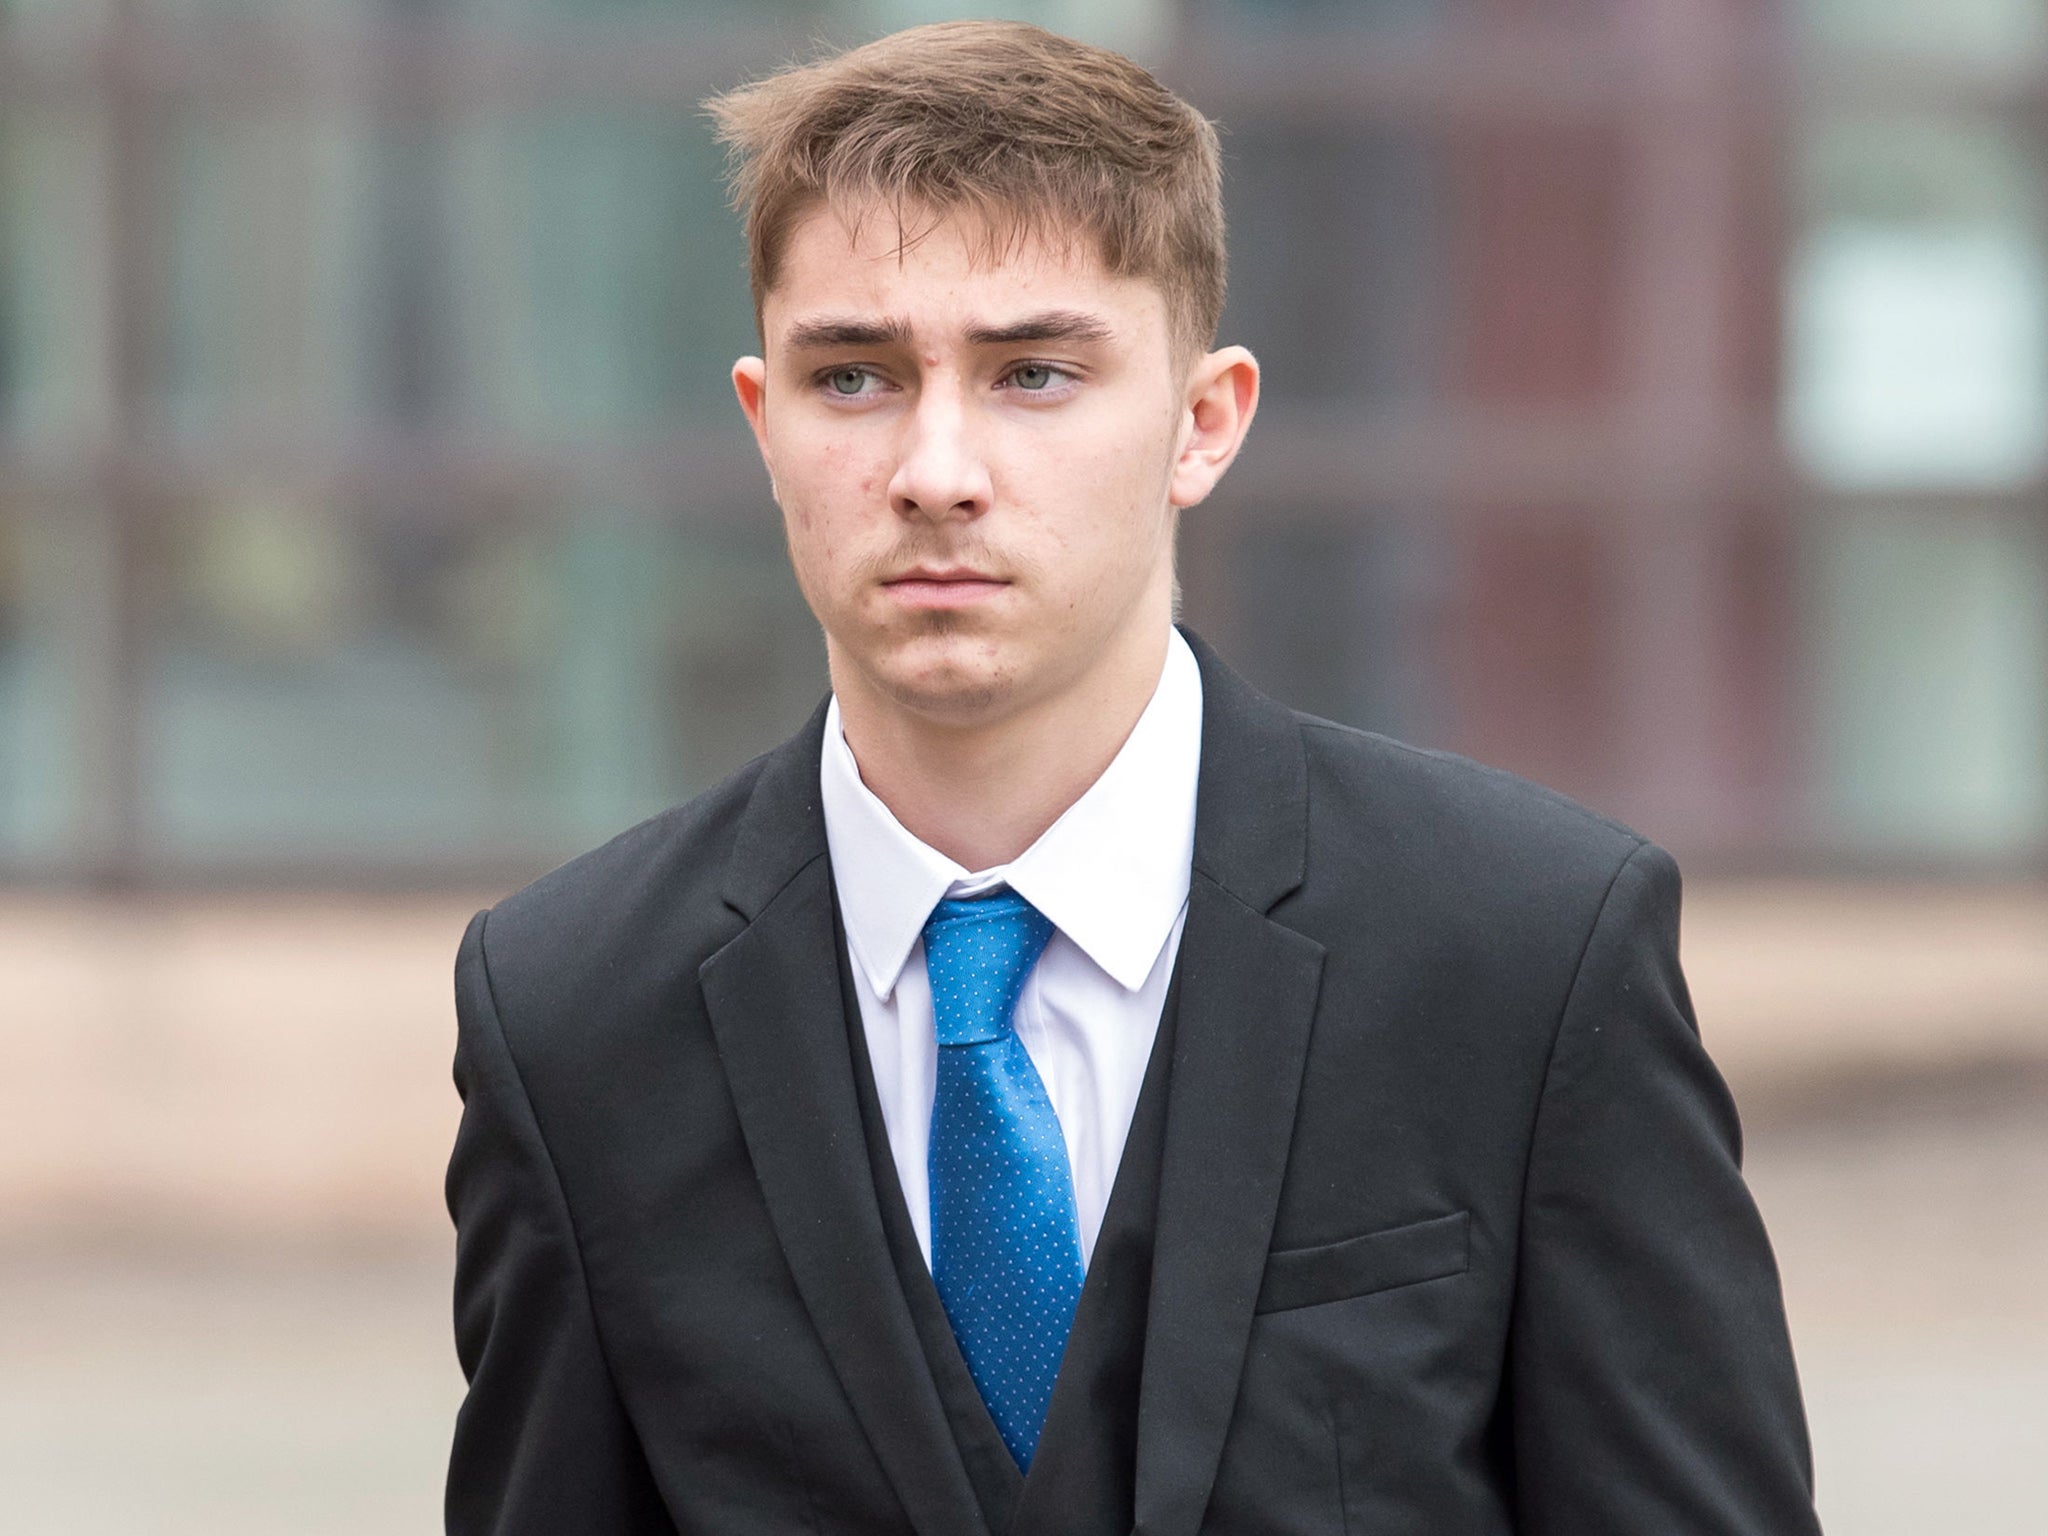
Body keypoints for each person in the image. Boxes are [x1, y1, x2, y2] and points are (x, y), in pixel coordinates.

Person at [444, 21, 1821, 1536]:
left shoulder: (1526, 951)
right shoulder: (571, 1014)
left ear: (1203, 421)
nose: (937, 468)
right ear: (766, 426)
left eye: (1034, 372)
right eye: (856, 377)